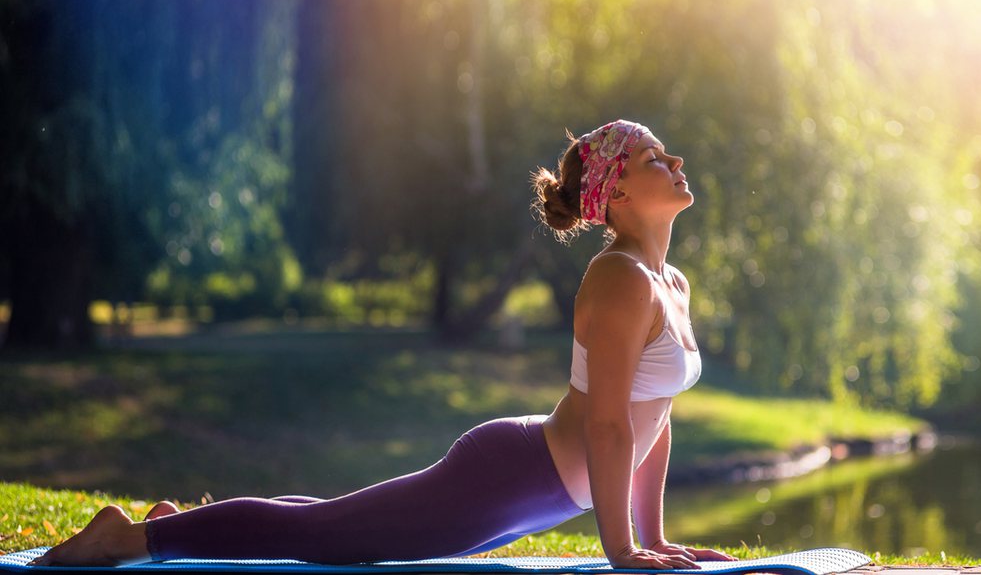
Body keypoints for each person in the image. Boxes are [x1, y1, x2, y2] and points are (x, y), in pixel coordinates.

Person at [31, 120, 736, 570]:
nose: (674, 158)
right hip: (509, 476)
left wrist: (654, 536)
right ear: (617, 196)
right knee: (329, 539)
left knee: (338, 525)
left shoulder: (668, 280)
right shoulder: (619, 277)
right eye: (651, 157)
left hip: (539, 495)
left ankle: (182, 527)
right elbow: (609, 425)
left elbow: (654, 421)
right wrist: (622, 551)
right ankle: (126, 538)